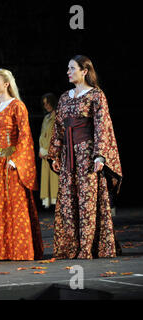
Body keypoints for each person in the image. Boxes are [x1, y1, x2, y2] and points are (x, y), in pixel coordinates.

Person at [48, 55, 122, 259]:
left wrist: (100, 155)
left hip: (87, 154)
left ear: (84, 71)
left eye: (72, 68)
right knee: (68, 201)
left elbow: (102, 126)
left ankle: (88, 247)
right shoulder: (64, 97)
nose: (68, 72)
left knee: (87, 201)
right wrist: (55, 153)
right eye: (68, 68)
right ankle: (71, 247)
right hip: (68, 154)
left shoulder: (96, 95)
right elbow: (59, 127)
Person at [0, 68, 43, 261]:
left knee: (14, 206)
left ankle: (18, 250)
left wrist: (17, 159)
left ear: (6, 84)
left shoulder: (17, 106)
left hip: (11, 163)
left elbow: (25, 136)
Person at [39, 93, 59, 209]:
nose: (46, 105)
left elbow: (55, 135)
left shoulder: (57, 117)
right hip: (44, 152)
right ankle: (48, 200)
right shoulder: (46, 118)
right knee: (46, 177)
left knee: (54, 177)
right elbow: (42, 135)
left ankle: (56, 200)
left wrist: (50, 150)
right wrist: (41, 149)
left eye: (48, 102)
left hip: (53, 152)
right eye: (44, 103)